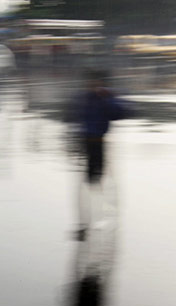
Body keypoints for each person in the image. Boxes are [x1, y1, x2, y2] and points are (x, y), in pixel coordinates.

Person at [66, 70, 127, 240]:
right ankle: (87, 220)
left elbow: (120, 113)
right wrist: (73, 143)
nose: (92, 86)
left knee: (96, 177)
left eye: (95, 83)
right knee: (90, 178)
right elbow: (74, 117)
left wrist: (109, 97)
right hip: (86, 141)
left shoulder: (104, 97)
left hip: (98, 141)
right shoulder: (84, 97)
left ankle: (95, 215)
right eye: (90, 83)